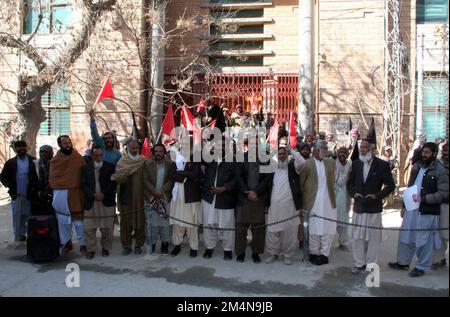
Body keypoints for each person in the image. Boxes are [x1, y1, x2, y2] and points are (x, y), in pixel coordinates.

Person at [389, 142, 448, 277]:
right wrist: (404, 206)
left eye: (427, 153)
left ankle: (421, 267)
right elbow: (410, 187)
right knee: (406, 235)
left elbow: (444, 193)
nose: (423, 155)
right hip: (411, 208)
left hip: (427, 211)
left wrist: (425, 198)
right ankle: (403, 262)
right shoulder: (416, 166)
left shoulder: (440, 170)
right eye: (423, 152)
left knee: (424, 239)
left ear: (433, 153)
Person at [347, 138, 395, 274]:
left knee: (374, 238)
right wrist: (353, 194)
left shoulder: (381, 165)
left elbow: (391, 185)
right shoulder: (356, 164)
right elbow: (349, 184)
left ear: (372, 149)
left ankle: (371, 265)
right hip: (359, 207)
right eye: (361, 147)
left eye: (365, 148)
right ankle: (358, 263)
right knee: (357, 237)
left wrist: (377, 196)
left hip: (374, 207)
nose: (362, 150)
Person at [264, 145, 305, 265]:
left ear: (287, 155)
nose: (282, 156)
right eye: (280, 154)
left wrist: (292, 150)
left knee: (289, 231)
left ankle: (287, 254)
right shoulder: (273, 168)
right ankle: (273, 253)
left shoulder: (293, 166)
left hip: (290, 206)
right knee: (273, 230)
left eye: (284, 153)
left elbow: (302, 161)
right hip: (274, 206)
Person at [299, 140, 337, 265]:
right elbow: (302, 183)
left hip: (328, 201)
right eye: (323, 148)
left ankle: (324, 254)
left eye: (326, 148)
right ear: (315, 150)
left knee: (327, 228)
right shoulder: (307, 164)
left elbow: (334, 179)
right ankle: (314, 253)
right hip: (312, 202)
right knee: (313, 228)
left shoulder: (330, 163)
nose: (326, 150)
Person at [49, 135, 86, 254]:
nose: (68, 145)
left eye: (69, 142)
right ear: (60, 145)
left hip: (76, 193)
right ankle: (67, 243)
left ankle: (83, 245)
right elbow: (53, 178)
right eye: (65, 143)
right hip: (61, 194)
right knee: (63, 221)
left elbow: (84, 174)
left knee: (79, 222)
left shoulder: (78, 158)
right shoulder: (55, 160)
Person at [234, 142, 270, 263]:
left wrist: (256, 193)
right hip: (243, 199)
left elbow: (266, 179)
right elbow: (238, 178)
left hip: (258, 199)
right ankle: (240, 252)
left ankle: (256, 252)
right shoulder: (241, 159)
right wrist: (247, 192)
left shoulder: (265, 159)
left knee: (258, 228)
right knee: (240, 227)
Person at [111, 138, 148, 256]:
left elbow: (149, 177)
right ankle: (126, 246)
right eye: (132, 148)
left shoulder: (143, 161)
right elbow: (117, 176)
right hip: (125, 196)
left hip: (140, 197)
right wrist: (121, 176)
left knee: (140, 221)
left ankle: (138, 245)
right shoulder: (122, 161)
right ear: (127, 149)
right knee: (125, 223)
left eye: (136, 148)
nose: (134, 149)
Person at [202, 143, 237, 260]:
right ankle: (209, 247)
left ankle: (228, 250)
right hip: (209, 197)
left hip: (226, 198)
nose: (219, 148)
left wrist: (225, 188)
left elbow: (237, 179)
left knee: (227, 225)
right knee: (208, 224)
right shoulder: (209, 160)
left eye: (223, 146)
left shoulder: (233, 161)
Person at [81, 146, 116, 259]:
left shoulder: (110, 167)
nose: (99, 157)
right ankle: (90, 249)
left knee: (107, 228)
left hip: (106, 201)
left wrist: (103, 194)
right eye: (96, 155)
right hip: (91, 201)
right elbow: (83, 184)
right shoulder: (85, 168)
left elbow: (113, 184)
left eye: (101, 155)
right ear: (92, 155)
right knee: (89, 228)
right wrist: (93, 194)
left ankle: (106, 248)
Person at [169, 143, 202, 258]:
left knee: (192, 223)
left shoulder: (195, 160)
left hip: (191, 197)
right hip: (177, 196)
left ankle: (194, 248)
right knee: (177, 223)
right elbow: (172, 174)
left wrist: (181, 173)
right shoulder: (175, 160)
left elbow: (195, 174)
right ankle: (177, 245)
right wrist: (185, 176)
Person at [0, 141, 38, 241]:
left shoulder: (33, 161)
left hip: (30, 193)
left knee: (30, 214)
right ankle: (19, 235)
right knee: (17, 214)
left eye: (23, 147)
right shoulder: (10, 163)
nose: (22, 149)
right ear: (15, 149)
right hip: (16, 193)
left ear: (27, 148)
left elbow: (37, 177)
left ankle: (32, 234)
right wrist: (10, 187)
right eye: (19, 147)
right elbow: (3, 177)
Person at [143, 143, 176, 256]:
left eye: (160, 151)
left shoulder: (170, 164)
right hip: (151, 197)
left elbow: (172, 180)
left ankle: (165, 244)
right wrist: (154, 192)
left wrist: (161, 191)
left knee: (165, 223)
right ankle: (152, 244)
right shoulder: (147, 164)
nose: (158, 153)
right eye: (156, 151)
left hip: (164, 197)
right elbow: (145, 180)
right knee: (152, 223)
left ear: (164, 152)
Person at [432, 142, 449, 269]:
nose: (446, 152)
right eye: (444, 150)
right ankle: (440, 258)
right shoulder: (438, 165)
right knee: (441, 232)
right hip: (443, 202)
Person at [335, 147, 351, 251]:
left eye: (344, 152)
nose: (342, 154)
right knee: (330, 220)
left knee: (344, 221)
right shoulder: (332, 164)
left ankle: (343, 242)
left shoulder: (350, 165)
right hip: (333, 195)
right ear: (337, 153)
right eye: (340, 152)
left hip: (345, 195)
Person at [34, 145, 54, 215]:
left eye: (46, 152)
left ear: (51, 153)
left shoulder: (56, 164)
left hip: (53, 194)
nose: (43, 154)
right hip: (39, 195)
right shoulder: (35, 164)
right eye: (41, 152)